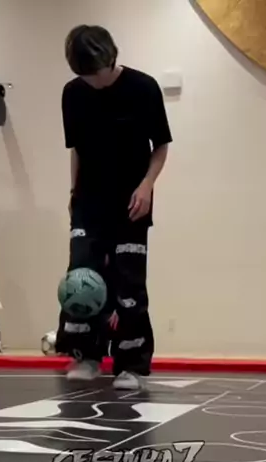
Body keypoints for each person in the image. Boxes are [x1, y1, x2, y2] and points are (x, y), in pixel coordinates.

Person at [54, 25, 172, 389]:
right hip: (89, 200)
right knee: (81, 276)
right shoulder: (73, 93)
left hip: (132, 201)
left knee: (128, 282)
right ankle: (85, 355)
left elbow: (161, 145)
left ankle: (130, 364)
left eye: (96, 73)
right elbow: (77, 148)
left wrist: (147, 185)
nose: (92, 81)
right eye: (84, 75)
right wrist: (73, 192)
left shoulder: (143, 87)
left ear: (110, 58)